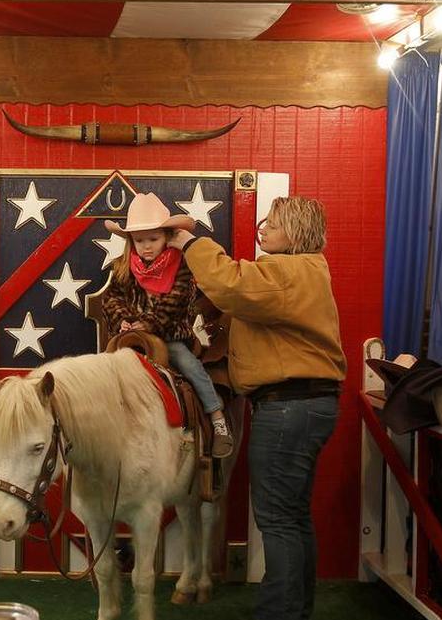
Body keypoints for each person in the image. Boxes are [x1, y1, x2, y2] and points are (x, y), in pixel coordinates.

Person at [168, 196, 346, 620]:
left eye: (274, 223)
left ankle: (279, 614)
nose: (262, 228)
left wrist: (189, 241)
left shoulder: (289, 271)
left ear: (297, 233)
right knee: (292, 516)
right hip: (306, 405)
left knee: (279, 521)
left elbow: (231, 283)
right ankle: (294, 610)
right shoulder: (303, 273)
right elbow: (240, 298)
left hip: (288, 408)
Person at [101, 192, 233, 458]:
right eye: (139, 240)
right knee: (104, 369)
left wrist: (146, 323)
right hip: (133, 335)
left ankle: (218, 420)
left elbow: (176, 302)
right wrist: (125, 320)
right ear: (130, 242)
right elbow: (111, 298)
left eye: (153, 239)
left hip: (169, 336)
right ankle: (103, 428)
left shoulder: (181, 266)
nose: (146, 246)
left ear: (167, 238)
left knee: (189, 366)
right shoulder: (123, 267)